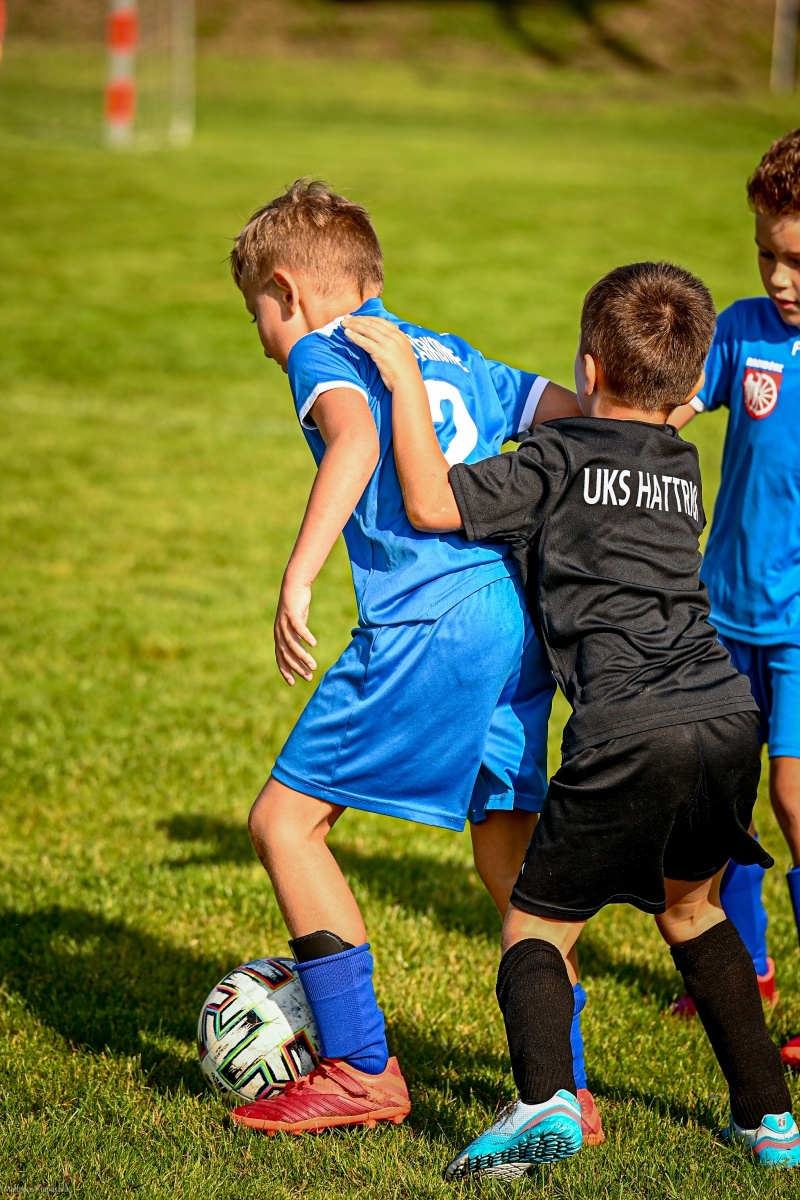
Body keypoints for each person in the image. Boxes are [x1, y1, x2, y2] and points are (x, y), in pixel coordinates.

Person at [342, 259, 800, 1177]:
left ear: (588, 370)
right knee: (694, 911)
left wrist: (400, 377)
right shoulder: (681, 462)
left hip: (627, 725)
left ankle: (545, 1100)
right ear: (689, 384)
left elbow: (433, 504)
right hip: (723, 713)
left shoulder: (556, 458)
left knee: (533, 929)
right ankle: (772, 1122)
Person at [225, 179, 604, 1139]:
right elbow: (565, 410)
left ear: (289, 290)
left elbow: (352, 441)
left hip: (426, 624)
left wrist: (299, 574)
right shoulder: (437, 346)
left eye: (258, 314)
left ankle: (358, 1069)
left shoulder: (327, 348)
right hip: (516, 621)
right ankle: (566, 1089)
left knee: (285, 825)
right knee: (513, 868)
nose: (264, 335)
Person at [669, 130, 800, 1047]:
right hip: (723, 610)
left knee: (793, 800)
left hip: (799, 628)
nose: (781, 277)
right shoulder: (746, 329)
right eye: (767, 254)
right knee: (721, 793)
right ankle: (744, 963)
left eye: (799, 260)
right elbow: (678, 404)